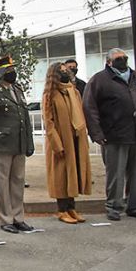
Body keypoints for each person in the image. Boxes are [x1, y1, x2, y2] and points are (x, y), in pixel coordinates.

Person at [83, 48, 136, 221]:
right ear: (108, 62)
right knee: (115, 174)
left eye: (124, 58)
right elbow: (89, 108)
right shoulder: (99, 80)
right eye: (118, 59)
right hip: (114, 136)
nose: (123, 61)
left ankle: (134, 206)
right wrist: (97, 133)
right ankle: (114, 207)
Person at [0, 55, 35, 233]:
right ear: (1, 72)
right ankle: (6, 219)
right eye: (8, 70)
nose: (13, 73)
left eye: (13, 70)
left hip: (19, 142)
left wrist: (29, 142)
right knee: (2, 183)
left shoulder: (16, 89)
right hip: (2, 143)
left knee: (18, 181)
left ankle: (18, 217)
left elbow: (24, 117)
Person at [42, 62, 92, 223]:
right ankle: (62, 209)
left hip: (76, 139)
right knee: (61, 176)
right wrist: (56, 143)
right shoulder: (50, 94)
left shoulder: (74, 92)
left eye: (66, 71)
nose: (65, 73)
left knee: (74, 173)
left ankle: (72, 208)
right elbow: (48, 122)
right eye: (61, 71)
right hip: (61, 140)